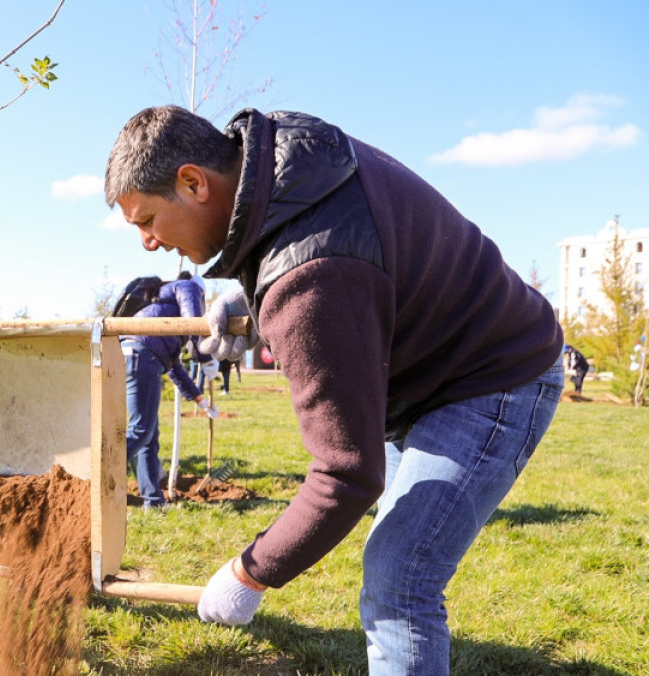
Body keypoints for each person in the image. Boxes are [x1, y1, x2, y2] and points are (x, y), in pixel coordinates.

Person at [105, 105, 563, 674]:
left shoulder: (311, 276)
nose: (147, 242)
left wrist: (249, 572)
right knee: (392, 566)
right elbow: (339, 242)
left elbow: (347, 472)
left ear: (194, 182)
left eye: (146, 220)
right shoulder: (289, 158)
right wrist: (251, 293)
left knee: (400, 580)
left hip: (492, 376)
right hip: (430, 371)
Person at [118, 272, 218, 509]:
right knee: (141, 430)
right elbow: (195, 322)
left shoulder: (163, 313)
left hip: (130, 355)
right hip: (143, 358)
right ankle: (95, 476)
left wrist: (201, 401)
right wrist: (205, 357)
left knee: (148, 437)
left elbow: (174, 367)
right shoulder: (187, 287)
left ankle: (152, 501)